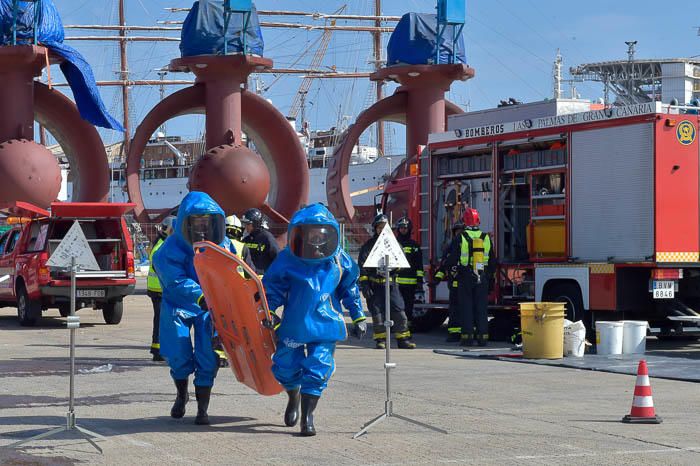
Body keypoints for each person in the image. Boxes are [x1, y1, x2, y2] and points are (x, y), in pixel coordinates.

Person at [263, 203, 366, 436]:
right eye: (310, 234)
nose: (316, 240)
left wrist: (358, 315)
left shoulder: (339, 260)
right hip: (294, 325)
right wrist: (268, 312)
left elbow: (350, 289)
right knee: (284, 367)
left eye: (321, 234)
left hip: (326, 325)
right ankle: (293, 394)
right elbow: (272, 290)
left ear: (329, 233)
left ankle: (308, 417)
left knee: (318, 369)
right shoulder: (287, 259)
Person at [153, 191, 237, 425]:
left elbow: (234, 274)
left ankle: (203, 408)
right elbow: (175, 280)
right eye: (196, 222)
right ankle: (181, 393)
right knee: (177, 353)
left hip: (209, 308)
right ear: (184, 223)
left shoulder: (224, 246)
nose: (202, 227)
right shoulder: (170, 249)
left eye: (207, 222)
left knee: (207, 355)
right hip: (178, 305)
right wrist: (201, 296)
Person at [357, 214, 416, 350]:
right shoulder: (369, 246)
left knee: (399, 311)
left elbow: (401, 261)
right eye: (379, 227)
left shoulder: (394, 245)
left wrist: (395, 267)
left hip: (391, 285)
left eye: (384, 227)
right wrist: (365, 285)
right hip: (375, 285)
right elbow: (362, 266)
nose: (381, 230)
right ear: (375, 229)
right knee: (378, 314)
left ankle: (403, 339)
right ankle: (381, 340)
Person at [443, 209, 494, 347]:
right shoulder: (486, 237)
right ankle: (483, 338)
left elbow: (453, 258)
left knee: (466, 307)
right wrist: (489, 278)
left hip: (465, 277)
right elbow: (492, 261)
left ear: (464, 222)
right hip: (482, 276)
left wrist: (445, 266)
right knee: (481, 308)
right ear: (478, 221)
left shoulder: (461, 237)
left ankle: (467, 338)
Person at [147, 215, 176, 361]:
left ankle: (158, 348)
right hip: (160, 289)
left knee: (161, 319)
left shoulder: (159, 242)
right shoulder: (162, 245)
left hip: (157, 289)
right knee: (161, 320)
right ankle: (158, 350)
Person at [434, 222, 464, 342]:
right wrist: (437, 279)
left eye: (461, 232)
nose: (459, 234)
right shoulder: (450, 247)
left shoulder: (468, 246)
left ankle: (467, 332)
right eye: (457, 232)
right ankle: (454, 333)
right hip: (454, 285)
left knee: (466, 309)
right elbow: (444, 266)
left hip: (465, 285)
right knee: (454, 311)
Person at [394, 217, 424, 325]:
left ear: (409, 229)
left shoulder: (414, 246)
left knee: (408, 306)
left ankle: (407, 328)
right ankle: (397, 326)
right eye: (401, 228)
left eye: (405, 228)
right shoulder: (393, 244)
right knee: (396, 305)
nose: (403, 230)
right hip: (395, 282)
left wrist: (419, 280)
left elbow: (419, 265)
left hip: (410, 283)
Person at [241, 208, 279, 275]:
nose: (245, 227)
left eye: (248, 224)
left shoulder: (267, 238)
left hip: (263, 280)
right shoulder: (246, 240)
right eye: (245, 224)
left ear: (255, 224)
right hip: (249, 278)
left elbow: (278, 258)